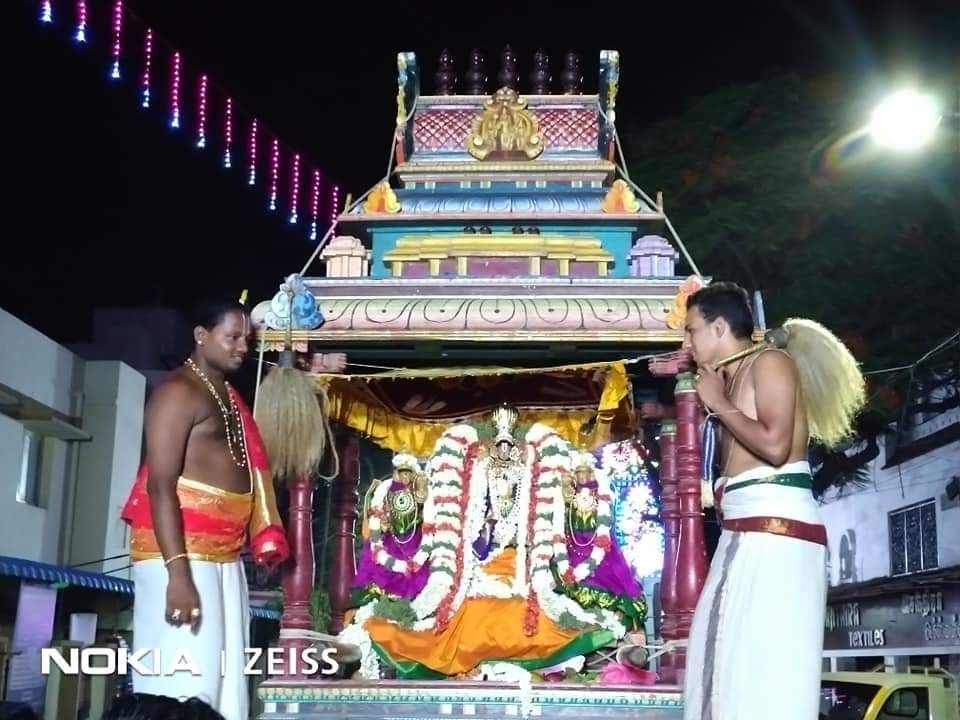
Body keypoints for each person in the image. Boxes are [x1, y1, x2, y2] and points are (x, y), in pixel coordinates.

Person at [681, 282, 864, 720]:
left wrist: (718, 403)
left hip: (773, 533)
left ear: (719, 327)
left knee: (756, 673)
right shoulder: (732, 372)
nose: (687, 343)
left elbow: (777, 446)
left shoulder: (770, 362)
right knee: (720, 664)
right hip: (747, 530)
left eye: (691, 331)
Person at [121, 299, 290, 720]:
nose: (242, 347)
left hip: (224, 557)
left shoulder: (229, 396)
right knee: (182, 686)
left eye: (246, 340)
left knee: (226, 691)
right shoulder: (178, 392)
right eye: (232, 337)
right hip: (180, 559)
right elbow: (160, 485)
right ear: (201, 335)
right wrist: (177, 575)